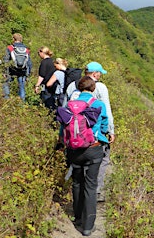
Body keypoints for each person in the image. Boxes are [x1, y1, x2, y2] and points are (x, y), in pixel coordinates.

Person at [63, 76, 108, 236]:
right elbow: (104, 125)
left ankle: (78, 218)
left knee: (77, 183)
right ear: (93, 89)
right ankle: (88, 226)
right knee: (90, 185)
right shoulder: (98, 104)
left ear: (78, 88)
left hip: (74, 150)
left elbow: (63, 124)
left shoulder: (70, 105)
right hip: (93, 149)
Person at [66, 61, 115, 202]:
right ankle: (96, 192)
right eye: (100, 73)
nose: (100, 75)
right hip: (94, 137)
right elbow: (107, 110)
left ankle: (77, 190)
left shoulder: (72, 86)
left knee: (78, 166)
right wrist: (110, 130)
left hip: (74, 135)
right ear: (95, 73)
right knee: (103, 159)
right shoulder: (100, 88)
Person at [2, 33, 33, 101]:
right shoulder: (26, 49)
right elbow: (29, 63)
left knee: (6, 83)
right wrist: (29, 73)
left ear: (13, 39)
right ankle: (22, 103)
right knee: (22, 86)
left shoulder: (10, 48)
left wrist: (4, 71)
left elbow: (6, 60)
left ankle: (6, 99)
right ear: (21, 39)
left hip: (11, 70)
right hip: (22, 71)